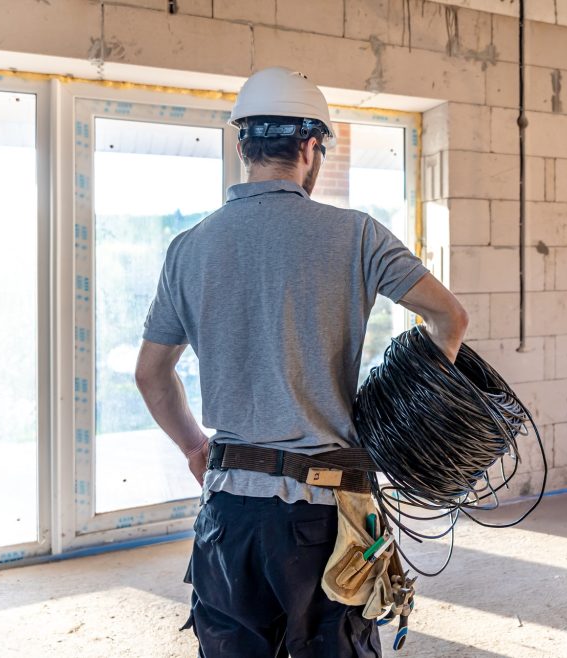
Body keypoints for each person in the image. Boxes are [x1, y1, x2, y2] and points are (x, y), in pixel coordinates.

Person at [134, 66, 468, 657]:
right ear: (311, 148)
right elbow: (449, 318)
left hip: (230, 511)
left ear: (243, 145)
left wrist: (193, 446)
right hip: (329, 514)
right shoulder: (358, 235)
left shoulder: (189, 248)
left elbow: (151, 374)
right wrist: (409, 409)